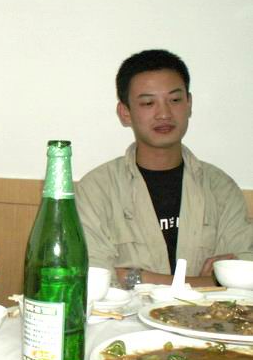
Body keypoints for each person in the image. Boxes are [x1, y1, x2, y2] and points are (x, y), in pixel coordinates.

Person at [76, 49, 253, 289]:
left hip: (204, 314)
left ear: (189, 104)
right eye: (148, 103)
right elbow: (93, 278)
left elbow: (244, 275)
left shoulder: (220, 188)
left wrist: (138, 277)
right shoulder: (96, 190)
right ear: (125, 112)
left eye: (175, 100)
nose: (164, 114)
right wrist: (208, 282)